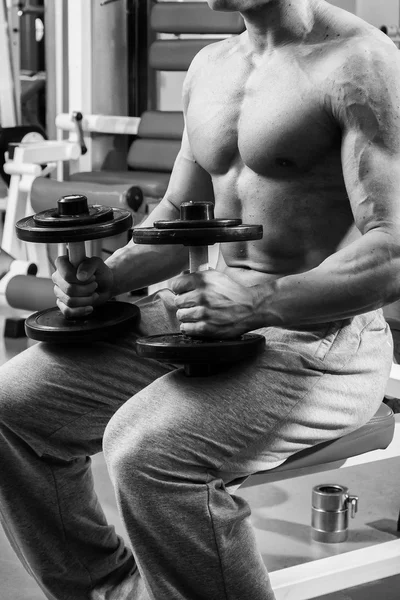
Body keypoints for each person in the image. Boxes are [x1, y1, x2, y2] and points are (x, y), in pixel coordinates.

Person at [1, 0, 399, 598]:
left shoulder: (360, 63)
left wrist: (261, 299)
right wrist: (108, 277)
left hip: (321, 338)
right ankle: (108, 589)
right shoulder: (211, 65)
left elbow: (393, 247)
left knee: (145, 451)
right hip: (200, 314)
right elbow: (179, 217)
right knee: (14, 409)